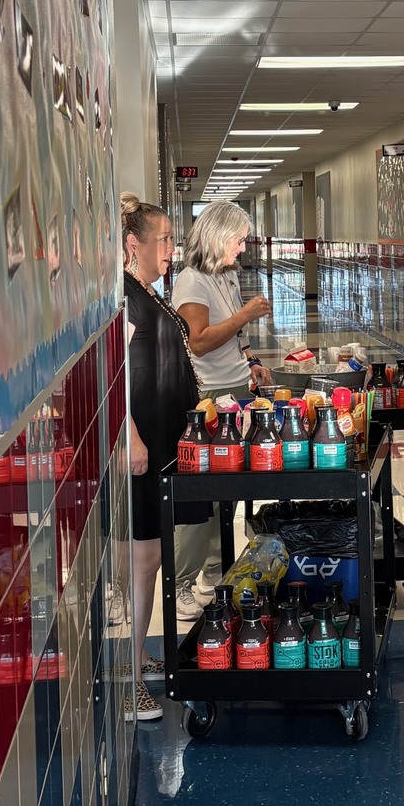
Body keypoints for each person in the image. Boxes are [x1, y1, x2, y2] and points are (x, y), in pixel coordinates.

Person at [121, 193, 206, 722]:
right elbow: (112, 374)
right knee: (143, 559)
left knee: (151, 558)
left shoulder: (149, 293)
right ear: (135, 244)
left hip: (163, 444)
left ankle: (139, 655)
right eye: (165, 240)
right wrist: (130, 435)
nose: (172, 249)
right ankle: (130, 680)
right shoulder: (126, 298)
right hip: (144, 446)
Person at [171, 201, 273, 620]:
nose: (242, 247)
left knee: (226, 493)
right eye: (238, 239)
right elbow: (199, 341)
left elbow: (236, 333)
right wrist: (246, 314)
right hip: (208, 396)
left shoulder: (226, 275)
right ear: (217, 236)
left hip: (235, 388)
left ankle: (214, 568)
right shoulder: (192, 281)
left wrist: (250, 361)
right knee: (202, 499)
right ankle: (179, 579)